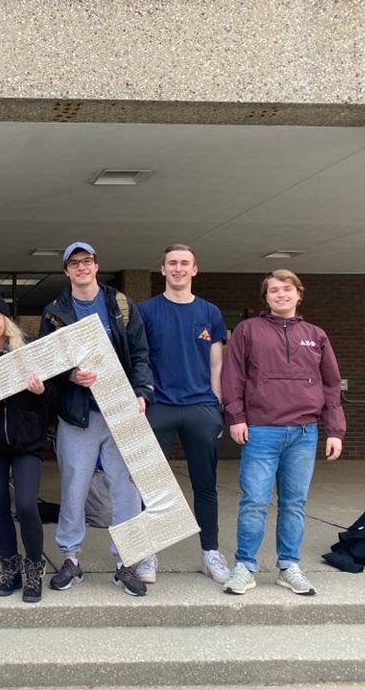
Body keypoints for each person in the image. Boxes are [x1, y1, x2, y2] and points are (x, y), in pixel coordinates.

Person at [39, 241, 153, 597]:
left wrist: (142, 392)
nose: (81, 267)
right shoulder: (55, 312)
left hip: (120, 410)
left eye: (86, 261)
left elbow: (140, 354)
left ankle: (126, 562)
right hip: (78, 414)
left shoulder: (121, 304)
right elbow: (46, 364)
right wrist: (72, 375)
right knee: (74, 487)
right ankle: (70, 558)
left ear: (96, 265)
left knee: (126, 489)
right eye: (74, 263)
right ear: (66, 271)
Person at [221, 269, 345, 596]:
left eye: (287, 289)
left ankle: (289, 566)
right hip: (261, 430)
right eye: (274, 290)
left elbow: (331, 384)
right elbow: (232, 376)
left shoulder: (316, 335)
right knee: (254, 502)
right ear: (266, 297)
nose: (281, 295)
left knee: (294, 503)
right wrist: (236, 417)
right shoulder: (248, 330)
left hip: (304, 432)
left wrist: (335, 430)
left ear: (298, 295)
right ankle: (245, 567)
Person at [137, 244, 230, 586]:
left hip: (201, 407)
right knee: (151, 485)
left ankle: (210, 553)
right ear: (162, 269)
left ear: (194, 269)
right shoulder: (145, 311)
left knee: (205, 485)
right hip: (159, 406)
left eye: (184, 263)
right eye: (172, 263)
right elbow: (139, 359)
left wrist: (217, 406)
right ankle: (148, 552)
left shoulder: (210, 312)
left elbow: (216, 364)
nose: (178, 268)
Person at [0, 290, 48, 603]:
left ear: (6, 320)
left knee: (27, 505)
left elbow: (54, 396)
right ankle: (10, 569)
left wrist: (41, 391)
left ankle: (34, 569)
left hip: (26, 441)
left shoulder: (28, 350)